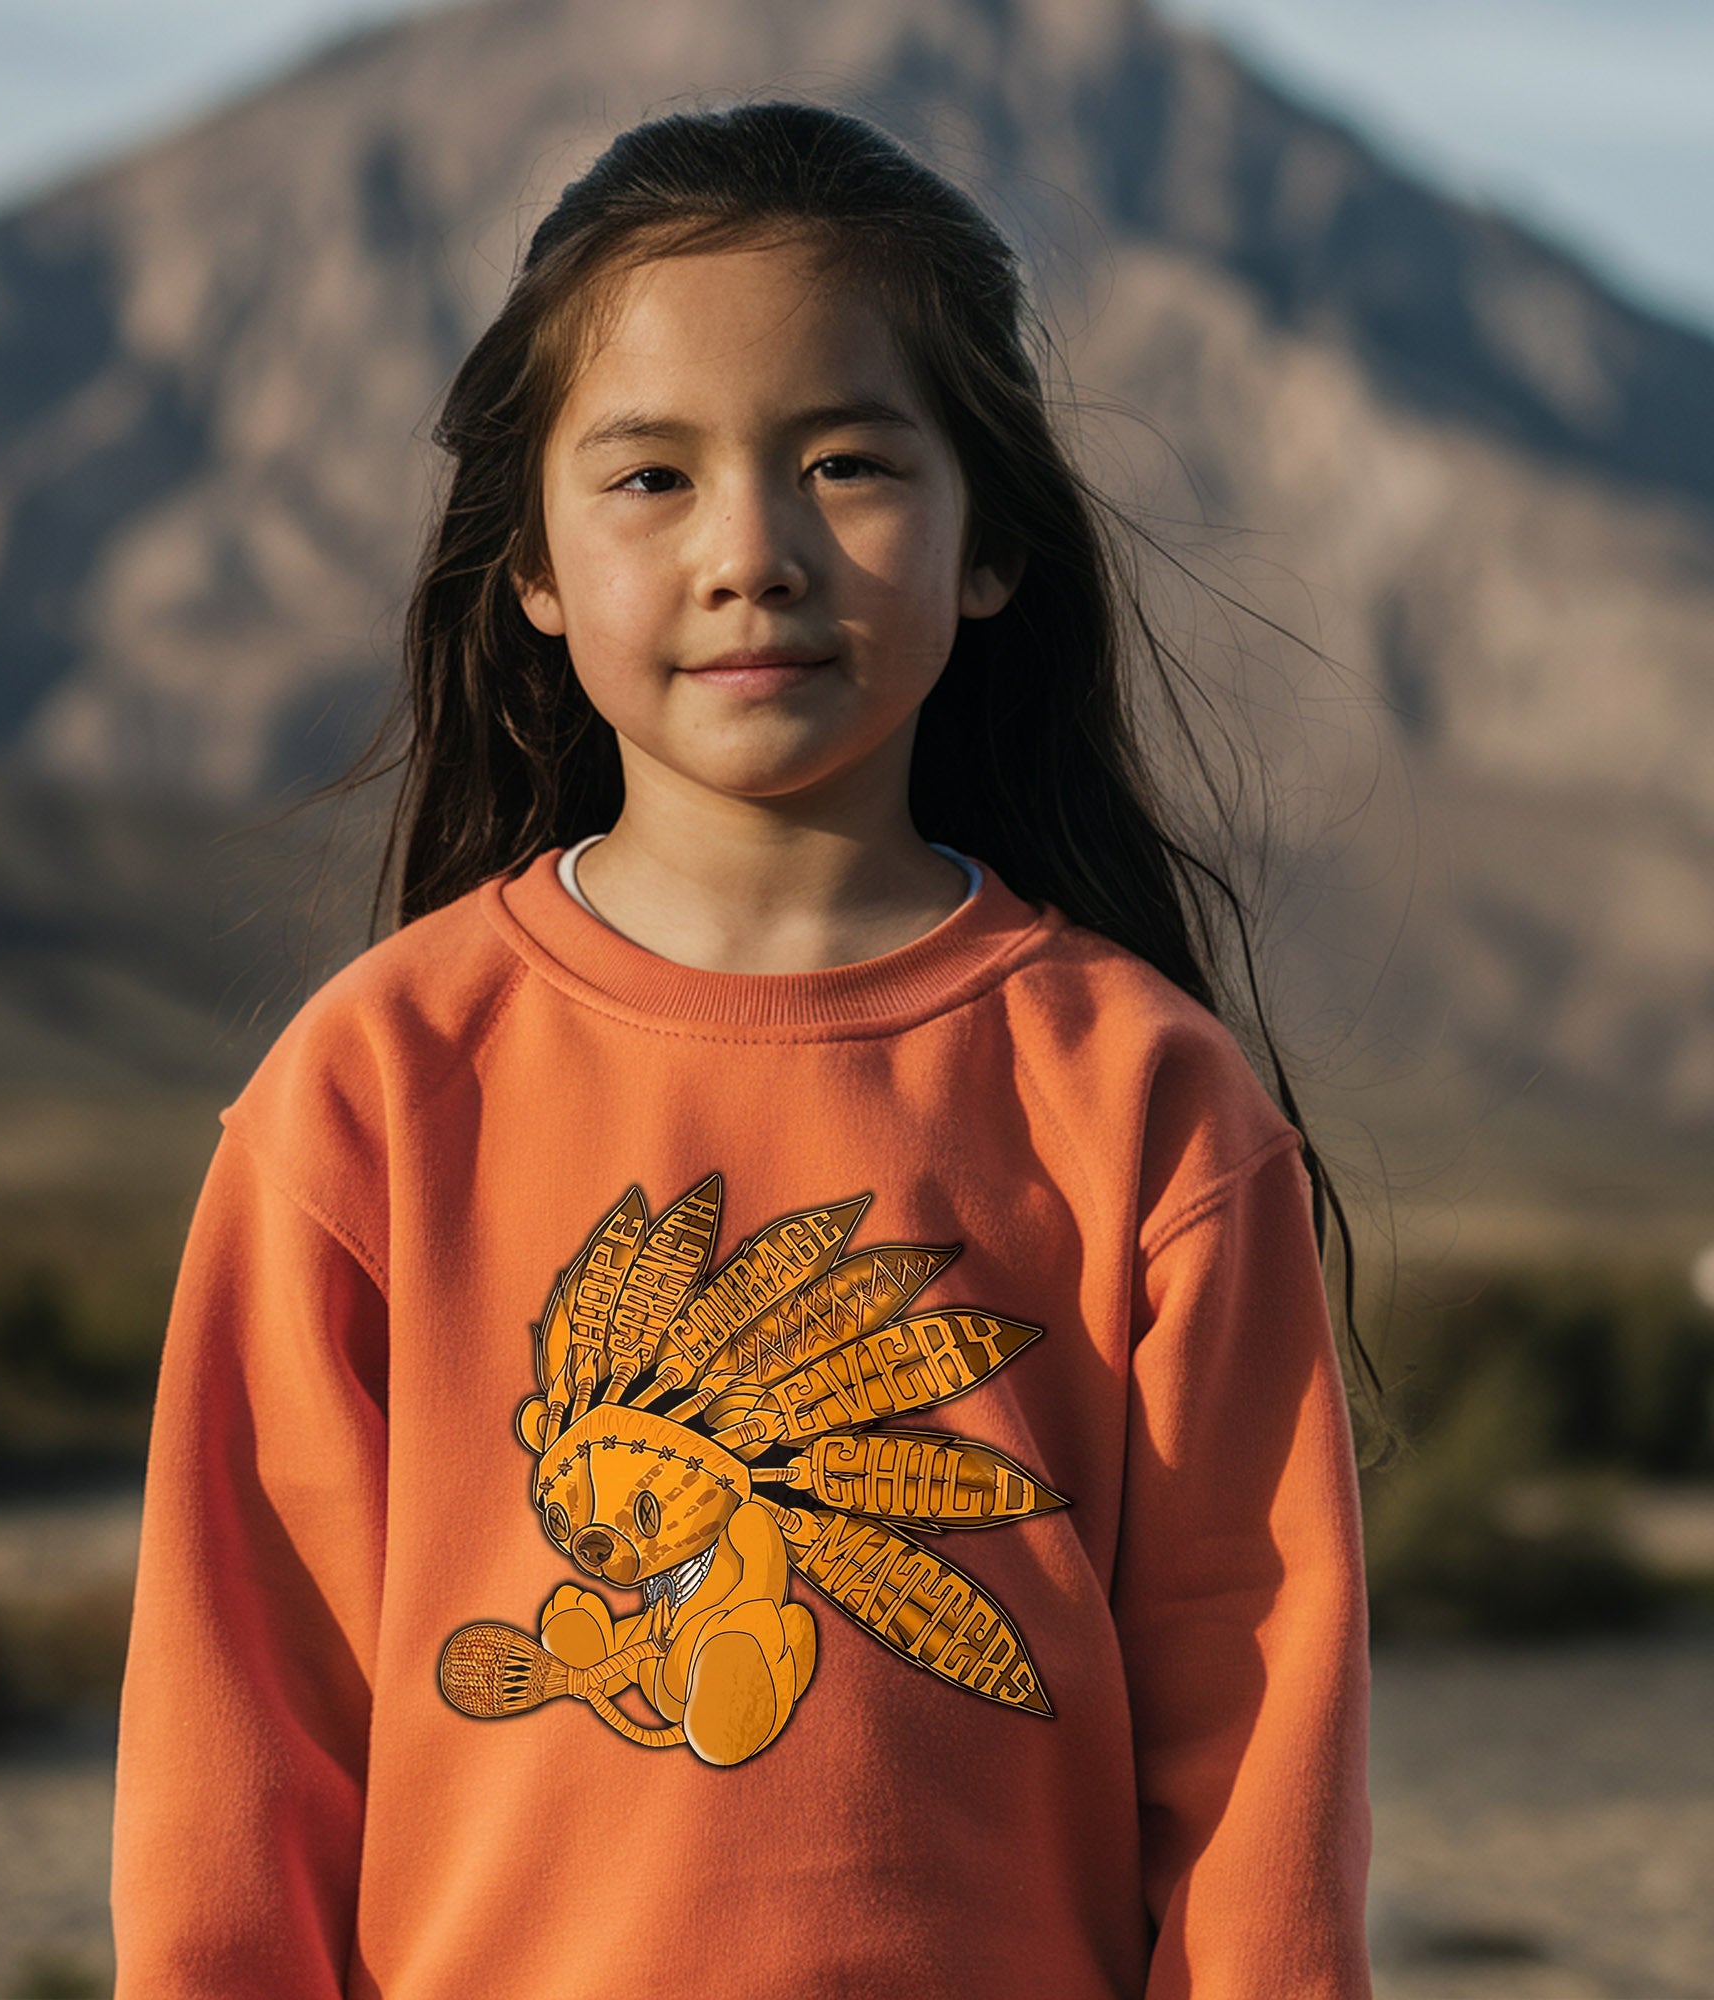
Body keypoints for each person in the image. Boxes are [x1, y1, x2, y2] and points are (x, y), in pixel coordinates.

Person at [111, 99, 1379, 1999]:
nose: (754, 553)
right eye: (649, 478)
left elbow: (1256, 1760)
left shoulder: (1148, 1104)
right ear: (527, 563)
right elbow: (240, 1739)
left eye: (850, 462)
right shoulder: (374, 1088)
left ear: (988, 544)